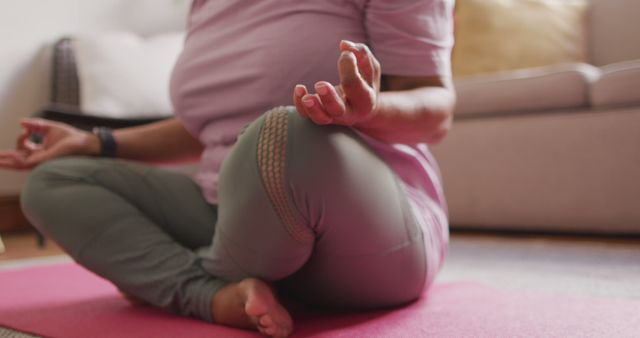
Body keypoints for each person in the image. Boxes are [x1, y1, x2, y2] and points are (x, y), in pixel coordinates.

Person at [0, 1, 455, 337]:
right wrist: (97, 142)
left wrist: (367, 110)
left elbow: (436, 107)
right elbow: (205, 126)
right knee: (52, 182)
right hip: (226, 215)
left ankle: (174, 278)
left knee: (284, 133)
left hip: (368, 231)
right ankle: (215, 297)